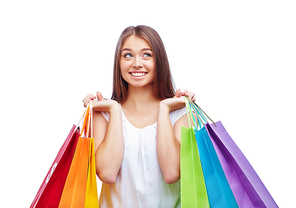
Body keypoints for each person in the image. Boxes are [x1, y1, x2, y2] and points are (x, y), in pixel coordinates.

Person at [83, 25, 195, 208]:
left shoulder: (179, 113)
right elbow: (107, 174)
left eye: (146, 55)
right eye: (128, 55)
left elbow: (172, 173)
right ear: (118, 62)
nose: (136, 63)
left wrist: (164, 109)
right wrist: (115, 110)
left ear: (159, 60)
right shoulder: (103, 115)